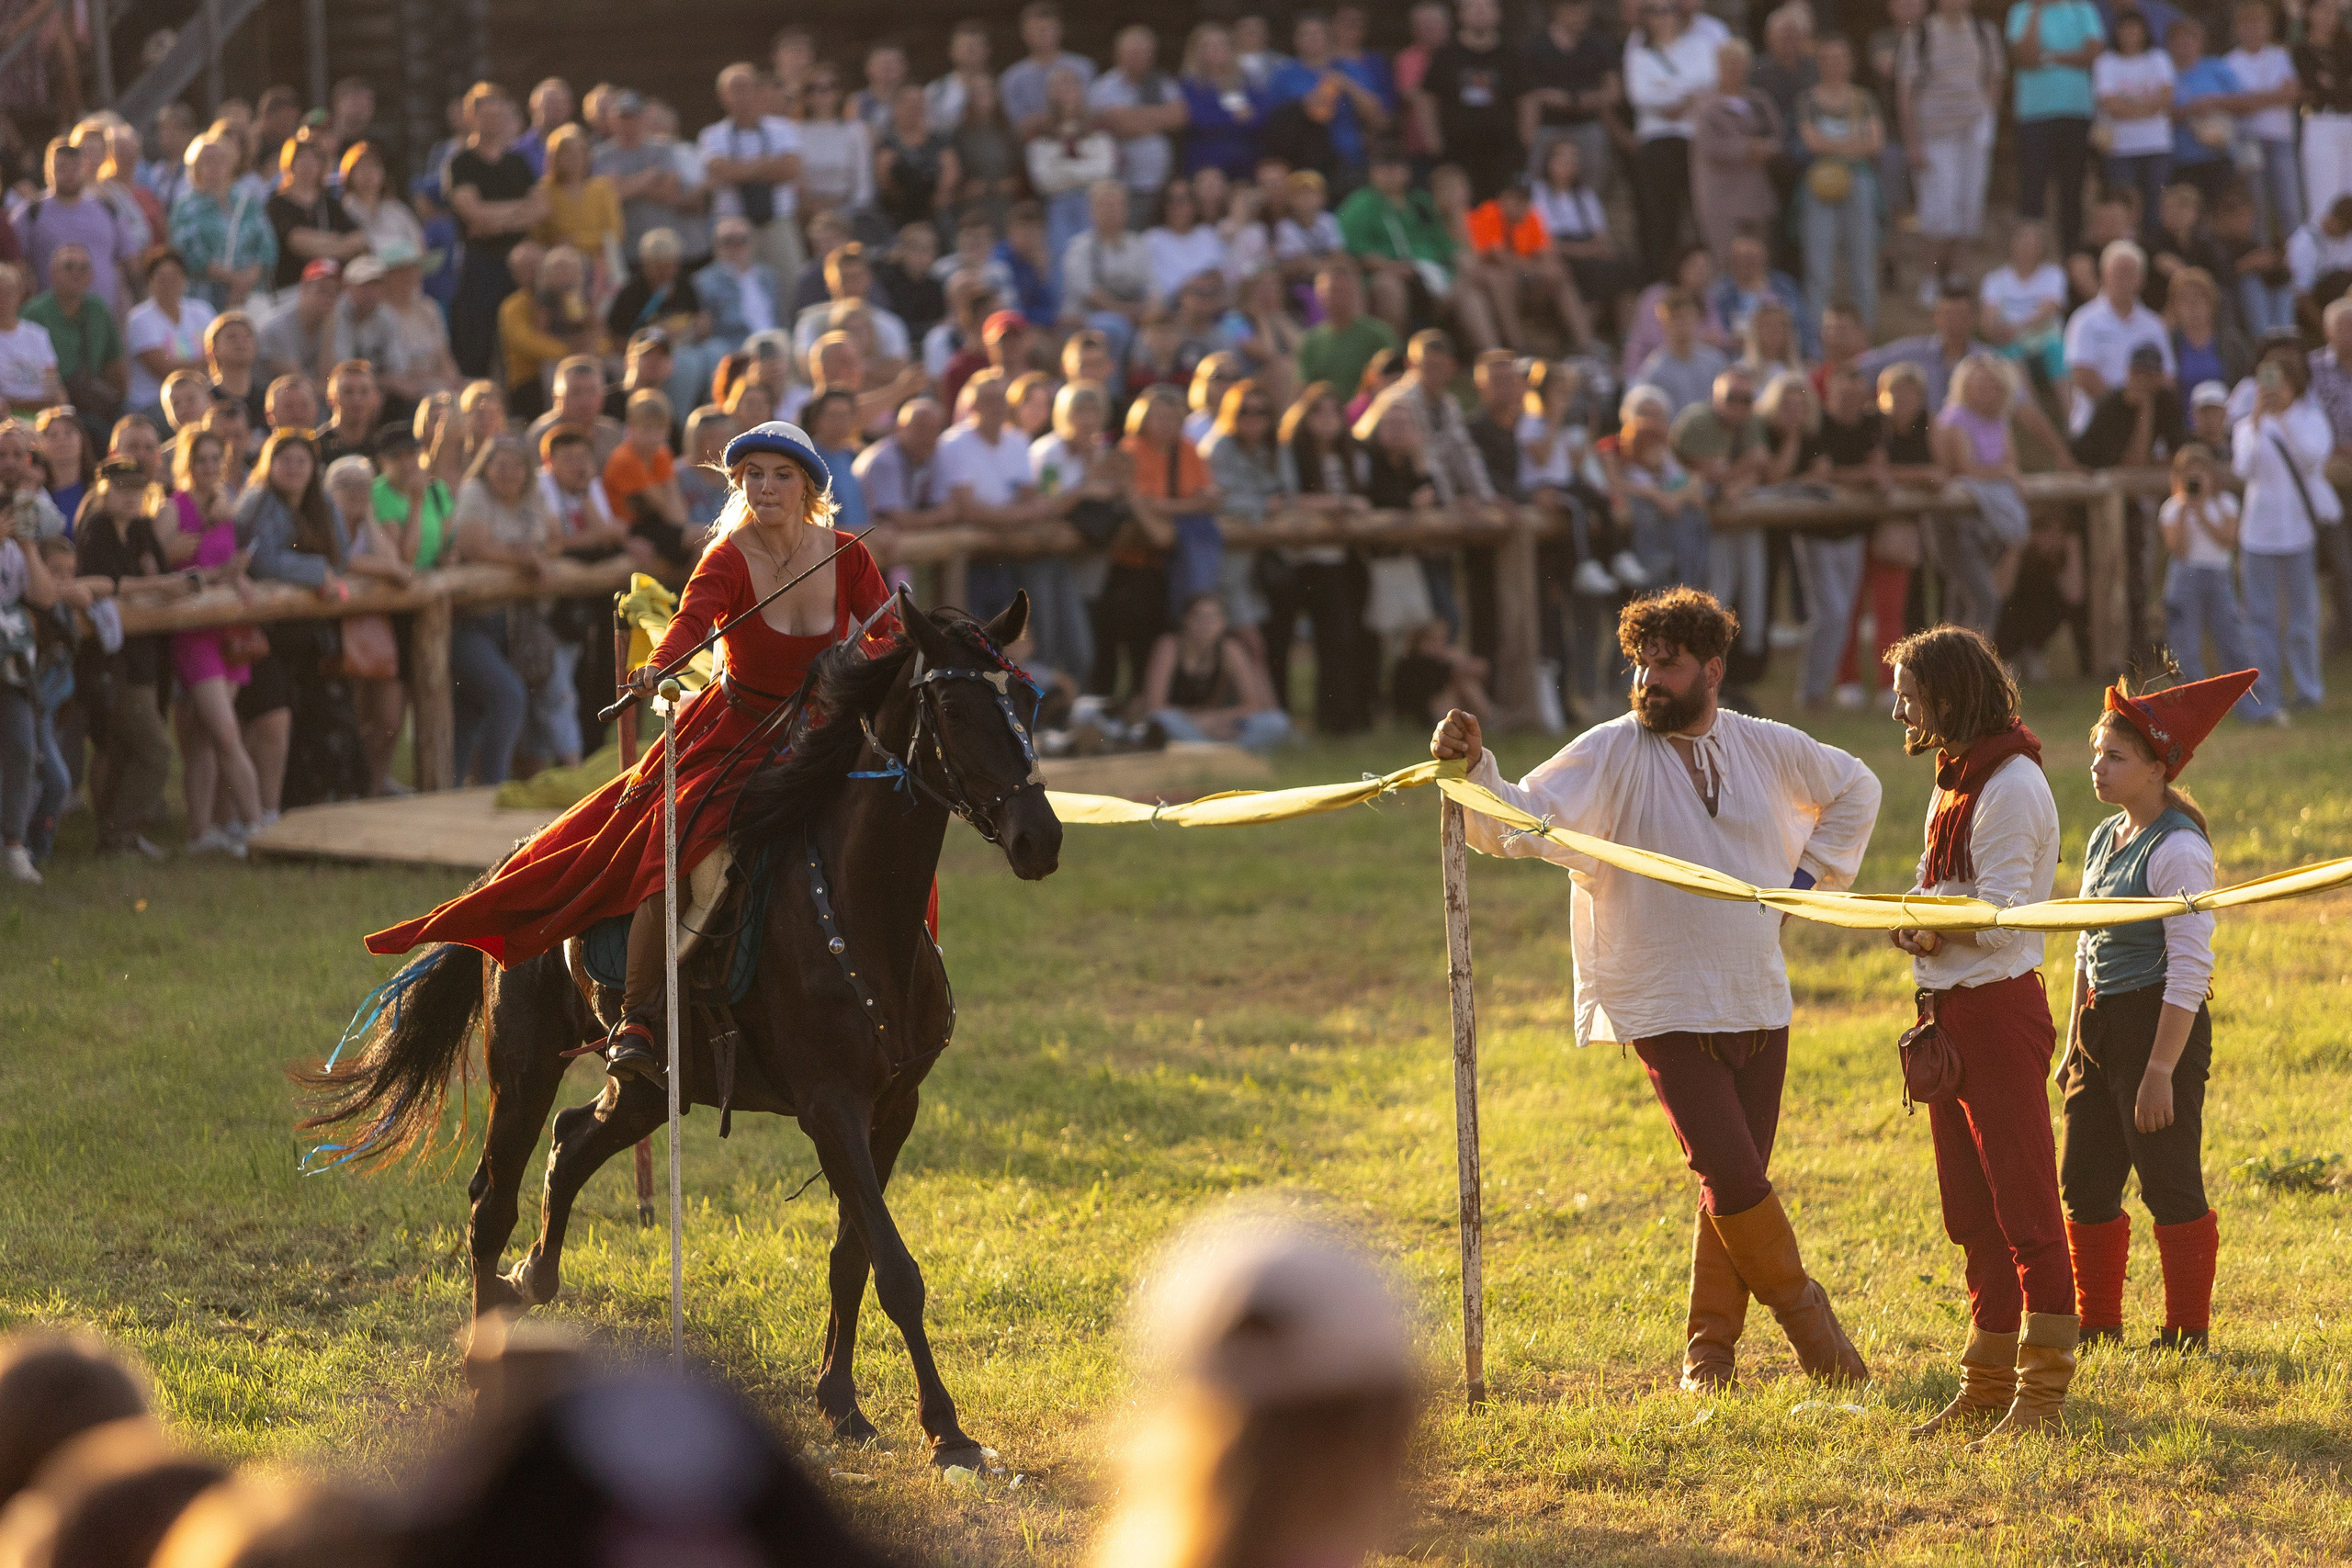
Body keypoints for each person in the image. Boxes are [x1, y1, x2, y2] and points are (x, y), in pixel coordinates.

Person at [1430, 588, 1880, 1391]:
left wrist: (1800, 887)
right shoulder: (1610, 749)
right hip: (1662, 999)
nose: (1647, 679)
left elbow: (1857, 787)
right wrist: (1473, 765)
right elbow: (1517, 819)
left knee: (1731, 1188)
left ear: (1712, 669)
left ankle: (1708, 1357)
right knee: (1737, 1179)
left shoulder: (1766, 745)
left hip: (1756, 995)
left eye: (1665, 665)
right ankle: (1822, 1346)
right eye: (1640, 662)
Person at [367, 422, 896, 1085]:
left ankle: (900, 981)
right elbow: (688, 626)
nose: (765, 486)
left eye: (780, 475)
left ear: (810, 488)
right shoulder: (728, 557)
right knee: (677, 838)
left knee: (886, 820)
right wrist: (660, 669)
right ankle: (639, 1016)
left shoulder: (847, 555)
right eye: (752, 474)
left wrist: (866, 663)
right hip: (733, 733)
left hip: (817, 736)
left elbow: (888, 634)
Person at [1877, 626, 2072, 1445]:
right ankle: (1986, 1382)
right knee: (1972, 1212)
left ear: (1950, 696)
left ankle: (2043, 1392)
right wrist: (1916, 917)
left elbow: (1996, 920)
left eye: (1910, 694)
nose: (1898, 709)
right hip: (1947, 1013)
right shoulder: (1953, 776)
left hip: (1995, 1011)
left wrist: (1929, 931)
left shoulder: (2012, 784)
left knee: (2026, 1205)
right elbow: (1939, 883)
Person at [2064, 668, 2251, 1355]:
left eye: (2114, 756)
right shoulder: (2101, 838)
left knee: (2167, 1177)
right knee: (2083, 1178)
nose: (2098, 766)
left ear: (2155, 767)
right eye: (2096, 753)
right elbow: (2086, 943)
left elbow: (2191, 967)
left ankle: (2186, 1331)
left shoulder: (2177, 846)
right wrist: (2072, 1045)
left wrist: (2159, 1070)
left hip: (2158, 1025)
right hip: (2101, 1023)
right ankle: (2098, 1323)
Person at [2233, 343, 2333, 720]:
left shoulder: (2310, 419)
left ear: (2295, 385)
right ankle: (2265, 694)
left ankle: (2308, 691)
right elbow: (2245, 467)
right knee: (2258, 620)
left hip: (2299, 533)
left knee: (2302, 618)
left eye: (2281, 382)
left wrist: (2285, 419)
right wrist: (2259, 417)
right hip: (2257, 535)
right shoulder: (2247, 425)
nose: (2274, 389)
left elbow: (2311, 458)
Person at [1899, 0, 2006, 302]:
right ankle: (1930, 278)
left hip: (1973, 133)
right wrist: (1912, 143)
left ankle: (1956, 278)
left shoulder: (1984, 32)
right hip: (1935, 135)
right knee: (1938, 213)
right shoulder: (1920, 35)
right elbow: (1906, 92)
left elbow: (1994, 76)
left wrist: (1988, 119)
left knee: (1968, 210)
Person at [1624, 0, 1720, 285]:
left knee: (1701, 216)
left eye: (1668, 10)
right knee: (1661, 220)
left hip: (1694, 142)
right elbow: (1640, 96)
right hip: (1657, 144)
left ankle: (1703, 283)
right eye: (1655, 11)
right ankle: (1662, 288)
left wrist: (1668, 90)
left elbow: (1710, 82)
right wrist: (1685, 94)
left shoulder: (1699, 45)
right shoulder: (1638, 53)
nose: (1662, 17)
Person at [1794, 38, 1885, 333]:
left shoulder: (1863, 99)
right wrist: (1852, 145)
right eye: (1828, 58)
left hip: (1858, 184)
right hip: (1820, 186)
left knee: (1862, 265)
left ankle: (1863, 336)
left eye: (1840, 58)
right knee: (1819, 268)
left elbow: (1875, 144)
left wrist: (1831, 146)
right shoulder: (1808, 100)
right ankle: (1817, 340)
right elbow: (1811, 142)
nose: (1834, 64)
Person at [2007, 0, 2105, 255]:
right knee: (2032, 191)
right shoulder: (2021, 11)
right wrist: (2037, 11)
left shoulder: (2083, 9)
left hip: (2076, 112)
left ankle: (2070, 259)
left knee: (2072, 190)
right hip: (2034, 115)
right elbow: (2025, 57)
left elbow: (2093, 53)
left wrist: (2049, 56)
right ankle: (2030, 259)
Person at [697, 62, 805, 288]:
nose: (742, 96)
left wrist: (738, 169)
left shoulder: (783, 129)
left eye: (747, 88)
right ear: (723, 96)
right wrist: (767, 165)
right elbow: (719, 171)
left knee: (789, 286)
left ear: (758, 91)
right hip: (732, 227)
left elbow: (791, 170)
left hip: (778, 223)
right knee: (736, 292)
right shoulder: (712, 135)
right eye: (735, 89)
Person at [2153, 443, 2253, 682]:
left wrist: (2202, 513)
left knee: (2232, 639)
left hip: (2218, 574)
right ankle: (2190, 703)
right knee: (2184, 645)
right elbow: (2178, 549)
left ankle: (2250, 703)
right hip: (2184, 575)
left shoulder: (2226, 503)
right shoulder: (2172, 509)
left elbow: (2227, 540)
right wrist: (2187, 510)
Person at [1142, 590, 1291, 749]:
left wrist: (1214, 720)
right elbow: (1155, 706)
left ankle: (1214, 752)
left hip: (1221, 723)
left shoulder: (1230, 649)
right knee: (1163, 720)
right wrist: (1199, 722)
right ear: (1185, 619)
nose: (1206, 624)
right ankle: (1221, 754)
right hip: (1183, 723)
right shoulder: (1169, 646)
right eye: (1199, 617)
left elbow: (1253, 704)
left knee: (1276, 722)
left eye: (1213, 618)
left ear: (1223, 622)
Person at [2225, 0, 2302, 251]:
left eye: (2258, 23)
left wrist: (2253, 100)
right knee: (2255, 207)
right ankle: (2261, 259)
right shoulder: (2230, 62)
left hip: (2279, 137)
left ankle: (2297, 259)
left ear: (2268, 27)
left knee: (2289, 206)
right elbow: (2236, 105)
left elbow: (2293, 94)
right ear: (2238, 28)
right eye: (2247, 24)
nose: (2252, 29)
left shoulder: (2280, 55)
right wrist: (2273, 96)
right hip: (2247, 140)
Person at [2090, 11, 2174, 234]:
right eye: (2124, 29)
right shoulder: (2106, 62)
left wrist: (2128, 106)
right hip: (2120, 148)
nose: (2129, 34)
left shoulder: (2158, 58)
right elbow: (2110, 106)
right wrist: (2147, 107)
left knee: (2155, 207)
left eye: (2134, 28)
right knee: (2123, 207)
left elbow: (2166, 98)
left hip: (2156, 145)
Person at [265, 130, 366, 294]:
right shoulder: (277, 204)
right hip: (290, 289)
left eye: (314, 159)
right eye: (302, 158)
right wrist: (337, 242)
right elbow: (298, 242)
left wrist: (322, 244)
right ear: (289, 163)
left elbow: (358, 240)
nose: (308, 164)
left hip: (330, 290)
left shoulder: (330, 203)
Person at [2299, 0, 2352, 221]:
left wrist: (2332, 85)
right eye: (2323, 10)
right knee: (2323, 196)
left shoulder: (2346, 49)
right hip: (2320, 121)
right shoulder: (2300, 50)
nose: (2329, 17)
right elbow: (2311, 89)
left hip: (2348, 118)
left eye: (2333, 11)